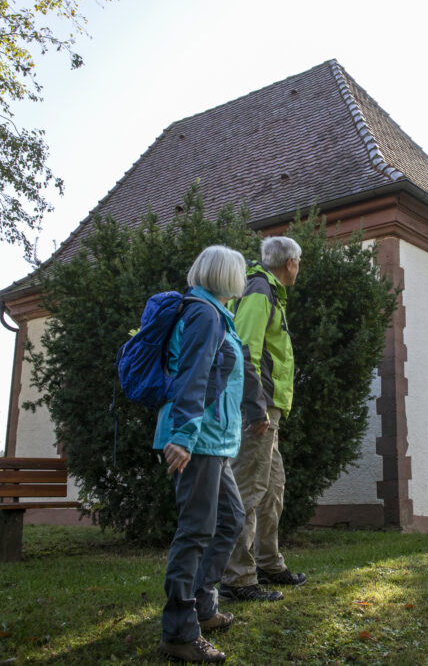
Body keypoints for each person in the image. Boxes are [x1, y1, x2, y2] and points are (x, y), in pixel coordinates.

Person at [155, 245, 248, 663]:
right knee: (195, 530)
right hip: (196, 440)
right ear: (229, 278)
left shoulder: (214, 314)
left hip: (213, 441)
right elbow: (194, 375)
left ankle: (202, 604)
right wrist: (184, 436)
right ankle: (179, 630)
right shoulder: (205, 315)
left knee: (230, 519)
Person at [220, 236, 306, 602]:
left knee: (273, 489)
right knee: (250, 489)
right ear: (289, 263)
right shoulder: (259, 290)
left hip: (269, 408)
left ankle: (269, 563)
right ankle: (237, 579)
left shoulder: (270, 293)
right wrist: (256, 407)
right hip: (257, 406)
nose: (299, 268)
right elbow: (244, 350)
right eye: (299, 261)